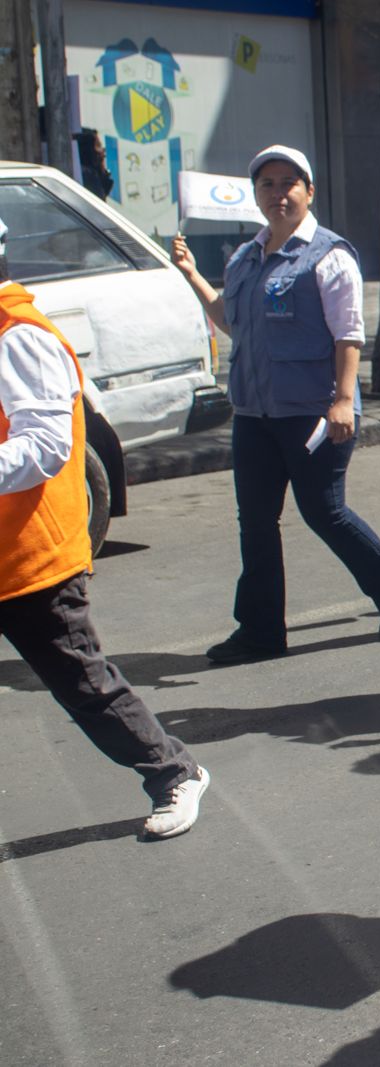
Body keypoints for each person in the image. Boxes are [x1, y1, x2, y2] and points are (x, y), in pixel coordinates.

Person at [170, 145, 380, 664]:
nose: (278, 193)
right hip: (254, 413)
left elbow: (349, 334)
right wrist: (192, 274)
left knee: (324, 512)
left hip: (313, 411)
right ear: (256, 195)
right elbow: (231, 320)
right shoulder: (246, 257)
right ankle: (260, 632)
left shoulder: (328, 256)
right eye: (267, 184)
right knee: (256, 522)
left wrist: (344, 401)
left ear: (309, 191)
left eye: (288, 183)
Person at [0, 216, 210, 839]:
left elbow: (45, 446)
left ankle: (175, 772)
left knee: (84, 683)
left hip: (31, 557)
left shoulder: (19, 337)